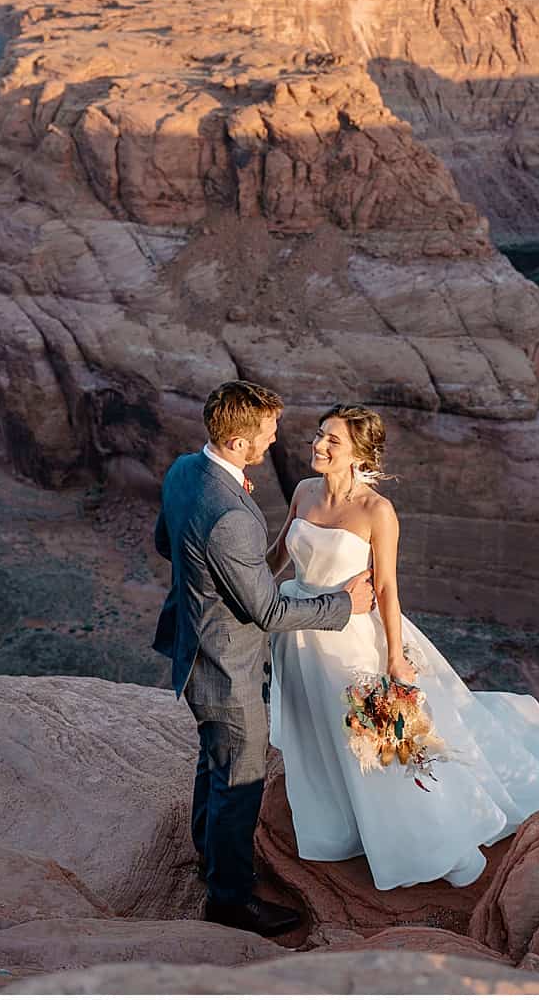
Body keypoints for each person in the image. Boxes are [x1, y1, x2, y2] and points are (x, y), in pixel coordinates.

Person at [267, 404, 539, 890]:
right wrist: (239, 587)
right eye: (320, 434)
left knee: (380, 742)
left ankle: (429, 836)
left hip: (351, 640)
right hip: (299, 634)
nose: (318, 445)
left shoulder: (377, 511)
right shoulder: (303, 491)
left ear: (359, 454)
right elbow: (278, 556)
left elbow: (387, 589)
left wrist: (394, 657)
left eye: (332, 440)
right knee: (318, 729)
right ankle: (343, 823)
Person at [152, 380, 375, 937]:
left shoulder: (185, 470)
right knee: (240, 777)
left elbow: (163, 541)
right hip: (225, 665)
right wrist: (344, 605)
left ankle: (210, 854)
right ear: (236, 442)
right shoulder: (231, 513)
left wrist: (205, 572)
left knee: (215, 760)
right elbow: (269, 610)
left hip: (194, 647)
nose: (276, 438)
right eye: (267, 432)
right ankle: (229, 900)